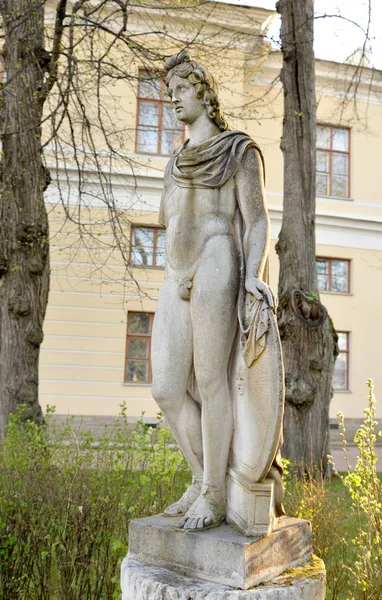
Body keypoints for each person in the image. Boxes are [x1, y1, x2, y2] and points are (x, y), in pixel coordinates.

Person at [151, 50, 280, 532]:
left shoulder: (237, 150)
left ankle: (214, 495)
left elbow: (258, 218)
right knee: (165, 387)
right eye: (169, 93)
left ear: (203, 92)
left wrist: (253, 276)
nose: (172, 99)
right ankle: (203, 475)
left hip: (217, 257)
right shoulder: (175, 161)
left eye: (180, 90)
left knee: (210, 380)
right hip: (176, 271)